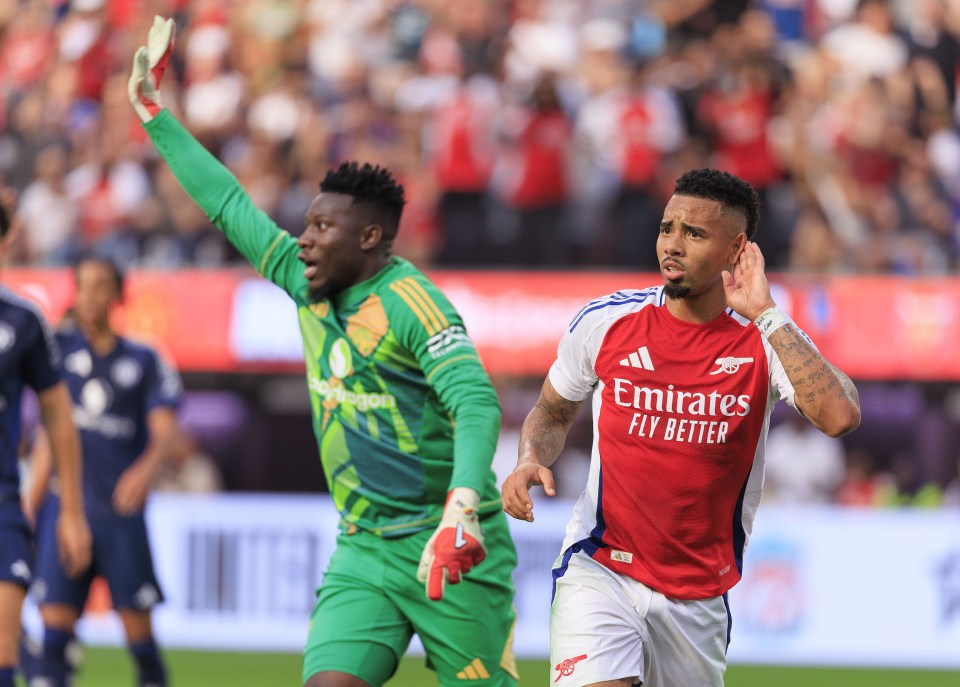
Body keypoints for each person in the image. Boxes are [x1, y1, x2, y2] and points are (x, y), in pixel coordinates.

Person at [128, 18, 518, 687]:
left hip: (449, 543)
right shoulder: (303, 282)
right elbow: (227, 203)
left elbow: (476, 400)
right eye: (306, 224)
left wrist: (460, 508)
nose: (302, 239)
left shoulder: (413, 305)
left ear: (371, 238)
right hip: (363, 547)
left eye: (321, 227)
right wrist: (154, 115)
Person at [502, 168, 861, 687]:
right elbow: (553, 411)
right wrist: (530, 456)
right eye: (667, 228)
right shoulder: (606, 323)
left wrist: (765, 311)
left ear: (737, 249)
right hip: (602, 567)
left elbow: (840, 416)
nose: (671, 244)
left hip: (699, 595)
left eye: (693, 234)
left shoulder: (764, 338)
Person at [21, 256, 182, 687]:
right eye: (83, 285)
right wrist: (28, 510)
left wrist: (143, 472)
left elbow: (166, 432)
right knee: (53, 632)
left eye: (100, 285)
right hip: (63, 508)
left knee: (140, 642)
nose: (89, 295)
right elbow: (46, 441)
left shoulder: (144, 358)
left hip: (119, 514)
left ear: (117, 294)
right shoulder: (58, 352)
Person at [0, 194, 91, 687]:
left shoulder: (23, 321)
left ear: (6, 240)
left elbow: (58, 418)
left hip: (2, 507)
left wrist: (72, 512)